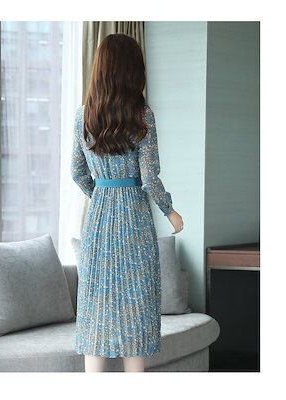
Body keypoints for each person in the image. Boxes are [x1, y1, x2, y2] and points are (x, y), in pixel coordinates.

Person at [70, 33, 184, 373]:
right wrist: (169, 210)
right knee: (137, 307)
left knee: (97, 309)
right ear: (133, 71)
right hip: (134, 216)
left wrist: (101, 194)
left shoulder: (83, 116)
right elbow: (149, 177)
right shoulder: (142, 115)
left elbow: (77, 172)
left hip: (98, 218)